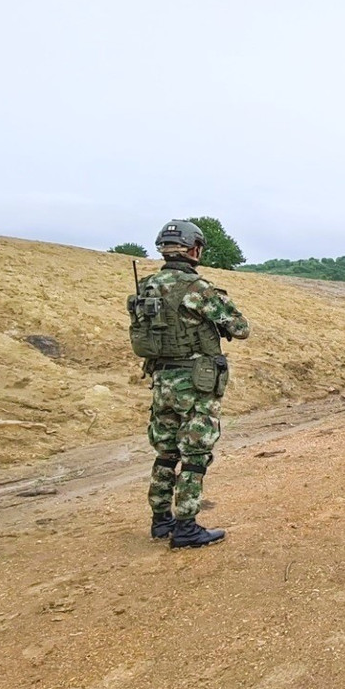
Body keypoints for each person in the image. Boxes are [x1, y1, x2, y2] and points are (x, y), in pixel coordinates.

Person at [128, 220, 250, 548]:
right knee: (195, 454)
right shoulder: (197, 289)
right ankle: (186, 526)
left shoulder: (147, 287)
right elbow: (240, 327)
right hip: (195, 382)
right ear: (194, 249)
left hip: (161, 379)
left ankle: (161, 520)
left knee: (166, 452)